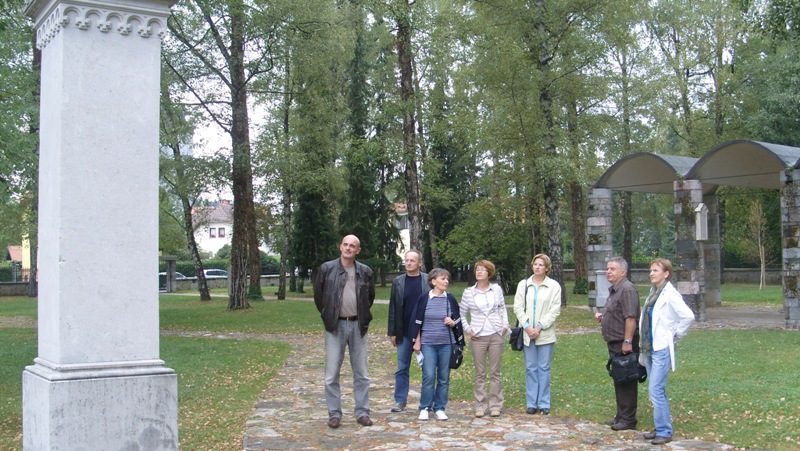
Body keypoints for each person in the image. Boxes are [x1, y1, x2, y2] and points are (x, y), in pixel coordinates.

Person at [313, 235, 376, 429]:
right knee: (331, 373)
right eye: (346, 245)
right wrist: (329, 316)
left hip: (358, 326)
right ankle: (334, 414)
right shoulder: (327, 269)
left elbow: (369, 298)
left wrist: (361, 316)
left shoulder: (365, 271)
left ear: (358, 250)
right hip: (335, 326)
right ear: (340, 246)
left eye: (353, 246)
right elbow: (319, 298)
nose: (348, 248)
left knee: (362, 373)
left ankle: (362, 412)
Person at [639, 258, 695, 445]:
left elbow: (688, 316)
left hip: (661, 347)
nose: (651, 273)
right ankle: (659, 426)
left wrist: (676, 334)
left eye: (655, 270)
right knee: (655, 389)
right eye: (651, 270)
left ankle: (664, 431)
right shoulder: (654, 292)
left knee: (656, 389)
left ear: (666, 274)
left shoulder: (670, 294)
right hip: (649, 346)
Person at [408, 268, 465, 421]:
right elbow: (416, 321)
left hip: (447, 344)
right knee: (429, 376)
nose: (446, 281)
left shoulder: (450, 299)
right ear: (433, 281)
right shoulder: (424, 298)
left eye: (447, 279)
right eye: (442, 279)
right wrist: (417, 341)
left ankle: (440, 407)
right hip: (428, 343)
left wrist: (452, 322)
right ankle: (425, 407)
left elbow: (458, 320)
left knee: (444, 377)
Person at [594, 257, 641, 431]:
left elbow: (630, 318)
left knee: (626, 379)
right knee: (619, 378)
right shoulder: (615, 289)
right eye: (607, 269)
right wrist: (605, 317)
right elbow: (619, 313)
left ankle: (628, 419)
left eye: (612, 269)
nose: (608, 272)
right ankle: (621, 415)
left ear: (623, 272)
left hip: (624, 343)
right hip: (615, 342)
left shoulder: (627, 289)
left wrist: (627, 341)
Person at [513, 254, 562, 416]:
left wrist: (540, 327)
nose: (537, 267)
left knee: (544, 367)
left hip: (545, 333)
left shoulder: (553, 286)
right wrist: (527, 327)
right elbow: (518, 307)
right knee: (530, 368)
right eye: (535, 264)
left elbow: (554, 310)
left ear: (547, 268)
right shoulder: (524, 285)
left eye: (541, 265)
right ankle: (532, 402)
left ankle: (544, 402)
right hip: (528, 333)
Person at [460, 259, 510, 418]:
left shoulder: (496, 289)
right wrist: (468, 330)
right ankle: (480, 405)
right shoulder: (469, 292)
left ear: (489, 273)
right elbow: (462, 314)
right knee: (480, 373)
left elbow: (502, 308)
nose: (479, 272)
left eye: (483, 270)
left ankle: (496, 405)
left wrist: (505, 325)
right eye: (477, 270)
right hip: (478, 336)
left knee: (495, 372)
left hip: (496, 334)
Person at [387, 250, 429, 413]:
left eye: (412, 260)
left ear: (420, 263)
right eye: (407, 260)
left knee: (427, 368)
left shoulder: (427, 280)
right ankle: (400, 400)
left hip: (424, 332)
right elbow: (393, 307)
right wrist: (392, 331)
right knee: (402, 367)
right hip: (403, 331)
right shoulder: (398, 282)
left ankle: (428, 401)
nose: (409, 263)